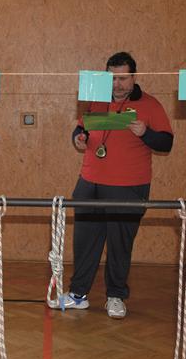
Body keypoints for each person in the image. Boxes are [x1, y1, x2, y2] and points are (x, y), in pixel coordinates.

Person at [48, 51, 174, 319]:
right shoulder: (96, 101)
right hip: (89, 183)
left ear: (134, 78)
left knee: (120, 244)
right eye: (113, 79)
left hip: (129, 187)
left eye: (123, 79)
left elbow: (166, 143)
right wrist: (78, 139)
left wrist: (146, 133)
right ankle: (78, 295)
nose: (118, 85)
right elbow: (80, 129)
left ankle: (115, 296)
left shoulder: (150, 105)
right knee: (84, 242)